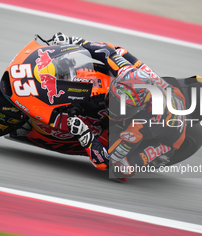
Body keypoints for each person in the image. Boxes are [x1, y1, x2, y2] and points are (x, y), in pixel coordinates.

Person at [52, 32, 187, 180]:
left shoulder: (138, 128)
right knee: (121, 53)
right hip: (171, 92)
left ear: (138, 108)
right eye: (115, 100)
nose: (113, 106)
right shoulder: (127, 72)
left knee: (121, 170)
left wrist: (85, 135)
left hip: (171, 137)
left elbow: (106, 162)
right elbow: (107, 50)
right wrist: (73, 41)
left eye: (123, 106)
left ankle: (163, 153)